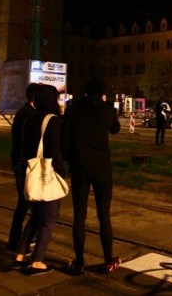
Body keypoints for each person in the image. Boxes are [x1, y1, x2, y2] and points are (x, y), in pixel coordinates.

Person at [62, 77, 122, 276]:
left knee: (80, 216)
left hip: (80, 169)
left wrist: (71, 161)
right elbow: (115, 129)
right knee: (103, 215)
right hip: (102, 169)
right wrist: (107, 105)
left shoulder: (72, 111)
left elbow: (65, 143)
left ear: (85, 92)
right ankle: (107, 260)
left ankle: (79, 262)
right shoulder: (107, 110)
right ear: (101, 93)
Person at [13, 84, 66, 276]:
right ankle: (37, 261)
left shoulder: (30, 118)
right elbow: (53, 152)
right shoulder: (52, 120)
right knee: (49, 219)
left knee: (36, 216)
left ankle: (19, 256)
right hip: (44, 175)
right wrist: (60, 174)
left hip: (27, 173)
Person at [6, 82, 39, 254]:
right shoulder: (29, 115)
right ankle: (20, 242)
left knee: (24, 203)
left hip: (19, 161)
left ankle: (16, 239)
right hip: (25, 164)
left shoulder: (23, 112)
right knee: (29, 205)